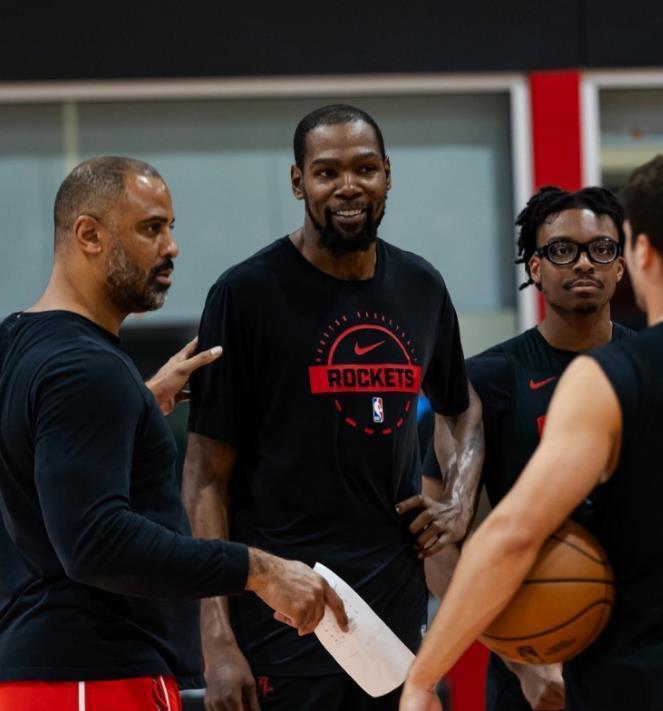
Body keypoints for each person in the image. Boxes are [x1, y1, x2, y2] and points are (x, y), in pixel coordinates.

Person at [0, 156, 346, 711]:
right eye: (151, 228)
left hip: (47, 672)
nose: (172, 248)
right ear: (89, 235)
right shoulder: (85, 371)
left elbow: (45, 467)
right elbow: (95, 543)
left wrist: (137, 402)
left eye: (170, 227)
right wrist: (257, 569)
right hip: (91, 678)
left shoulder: (19, 344)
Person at [184, 104, 483, 711]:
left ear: (388, 175)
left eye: (365, 169)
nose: (349, 186)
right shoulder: (245, 294)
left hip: (395, 611)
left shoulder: (422, 286)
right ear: (298, 182)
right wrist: (216, 641)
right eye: (327, 172)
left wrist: (458, 500)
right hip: (283, 615)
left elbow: (462, 406)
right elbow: (205, 476)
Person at [400, 156, 663, 711]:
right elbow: (438, 544)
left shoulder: (643, 368)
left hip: (636, 646)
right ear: (535, 267)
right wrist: (522, 657)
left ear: (624, 264)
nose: (584, 262)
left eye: (602, 249)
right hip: (530, 656)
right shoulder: (486, 380)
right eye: (562, 250)